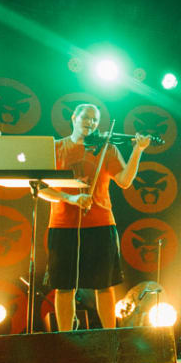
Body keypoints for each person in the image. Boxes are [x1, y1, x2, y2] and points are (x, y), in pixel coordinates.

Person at [39, 103, 149, 333]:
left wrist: (138, 151)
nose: (90, 123)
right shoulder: (56, 148)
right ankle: (65, 338)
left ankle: (110, 337)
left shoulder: (106, 148)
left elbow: (125, 181)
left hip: (100, 223)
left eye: (95, 120)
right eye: (86, 118)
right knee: (64, 286)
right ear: (74, 117)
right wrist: (70, 199)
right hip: (63, 225)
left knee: (104, 285)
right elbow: (41, 188)